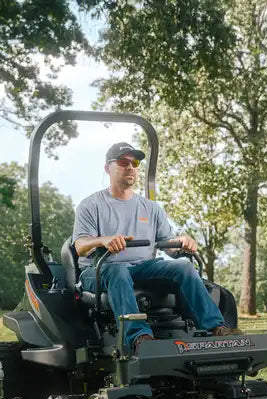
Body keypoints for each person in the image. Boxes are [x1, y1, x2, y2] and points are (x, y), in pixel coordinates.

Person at [73, 142, 238, 353]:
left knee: (183, 266)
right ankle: (139, 336)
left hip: (142, 267)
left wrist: (182, 242)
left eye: (135, 163)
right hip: (100, 270)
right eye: (124, 162)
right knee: (118, 270)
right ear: (108, 168)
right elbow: (80, 246)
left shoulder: (150, 208)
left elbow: (167, 244)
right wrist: (103, 240)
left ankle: (216, 328)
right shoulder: (91, 205)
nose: (130, 167)